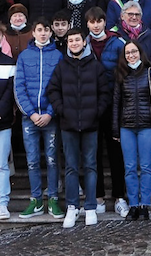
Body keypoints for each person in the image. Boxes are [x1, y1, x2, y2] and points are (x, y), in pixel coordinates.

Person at [47, 28, 110, 228]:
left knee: (91, 166)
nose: (74, 43)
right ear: (67, 44)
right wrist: (61, 110)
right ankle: (72, 207)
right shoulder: (62, 66)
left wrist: (96, 112)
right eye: (70, 40)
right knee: (71, 168)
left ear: (84, 42)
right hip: (68, 124)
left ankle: (90, 207)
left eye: (77, 40)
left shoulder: (95, 66)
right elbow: (53, 90)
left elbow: (105, 93)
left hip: (91, 124)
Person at [113, 40, 151, 221]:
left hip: (146, 125)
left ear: (140, 53)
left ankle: (145, 204)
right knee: (129, 167)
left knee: (146, 166)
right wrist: (115, 128)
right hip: (126, 127)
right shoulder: (121, 74)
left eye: (134, 51)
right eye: (127, 52)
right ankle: (133, 205)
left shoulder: (149, 73)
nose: (131, 55)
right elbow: (116, 103)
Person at [14, 18, 64, 219]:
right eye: (39, 30)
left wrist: (50, 112)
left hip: (50, 117)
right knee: (33, 160)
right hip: (30, 118)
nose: (43, 33)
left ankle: (52, 198)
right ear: (33, 33)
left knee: (52, 159)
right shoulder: (24, 56)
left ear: (51, 33)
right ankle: (35, 200)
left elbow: (61, 87)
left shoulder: (58, 56)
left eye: (46, 30)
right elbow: (19, 87)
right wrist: (32, 113)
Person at [85, 7, 129, 218]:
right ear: (87, 24)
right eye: (92, 22)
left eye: (99, 21)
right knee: (93, 154)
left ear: (105, 22)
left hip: (114, 105)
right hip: (91, 106)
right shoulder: (81, 44)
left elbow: (127, 70)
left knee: (116, 152)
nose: (95, 25)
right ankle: (99, 196)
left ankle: (120, 197)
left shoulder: (118, 42)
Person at [113, 1, 151, 71]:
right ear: (122, 16)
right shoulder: (116, 35)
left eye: (137, 14)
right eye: (130, 14)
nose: (134, 17)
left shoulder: (148, 34)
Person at [0, 48, 15, 220]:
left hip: (2, 121)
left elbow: (10, 92)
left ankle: (2, 203)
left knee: (2, 164)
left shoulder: (8, 62)